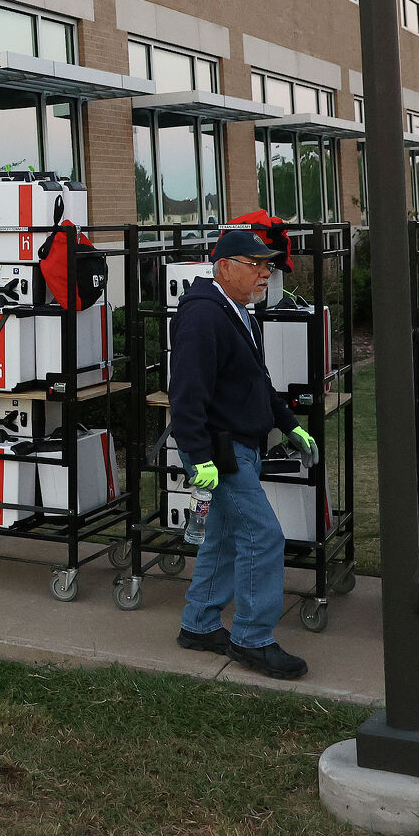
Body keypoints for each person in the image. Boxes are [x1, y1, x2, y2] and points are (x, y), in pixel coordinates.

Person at [166, 228, 317, 679]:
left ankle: (198, 625)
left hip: (243, 445)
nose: (266, 274)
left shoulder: (240, 313)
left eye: (268, 266)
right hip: (220, 450)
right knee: (262, 536)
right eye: (257, 265)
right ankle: (252, 638)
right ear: (225, 266)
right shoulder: (202, 317)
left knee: (228, 539)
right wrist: (199, 455)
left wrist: (289, 426)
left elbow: (257, 381)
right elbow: (185, 394)